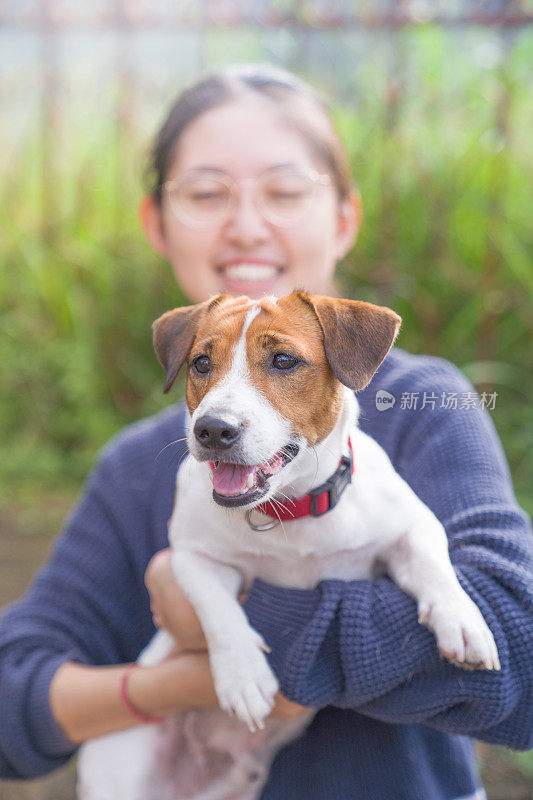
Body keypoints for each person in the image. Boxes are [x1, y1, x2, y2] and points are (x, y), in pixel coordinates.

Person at [0, 63, 531, 800]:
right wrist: (176, 683)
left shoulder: (427, 407)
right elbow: (10, 690)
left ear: (345, 216)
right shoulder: (136, 468)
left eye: (284, 190)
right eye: (206, 193)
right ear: (154, 220)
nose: (246, 224)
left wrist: (272, 636)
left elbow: (519, 650)